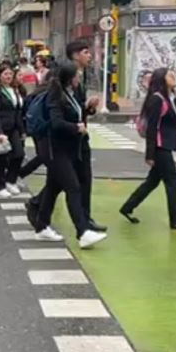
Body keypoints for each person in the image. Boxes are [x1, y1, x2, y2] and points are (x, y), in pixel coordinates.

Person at [33, 63, 108, 249]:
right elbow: (57, 123)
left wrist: (88, 109)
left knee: (52, 187)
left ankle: (41, 225)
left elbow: (74, 114)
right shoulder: (55, 95)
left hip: (66, 149)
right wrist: (76, 128)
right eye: (77, 75)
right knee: (73, 187)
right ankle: (82, 232)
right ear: (69, 77)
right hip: (54, 149)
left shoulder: (69, 93)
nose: (79, 78)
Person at [119, 68, 176, 231]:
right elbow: (152, 127)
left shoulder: (172, 99)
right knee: (173, 181)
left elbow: (174, 126)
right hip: (160, 147)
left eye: (174, 74)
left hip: (167, 145)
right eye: (169, 74)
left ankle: (127, 208)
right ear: (161, 79)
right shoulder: (157, 99)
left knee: (152, 182)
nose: (173, 76)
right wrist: (150, 153)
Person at [0, 65, 26, 199]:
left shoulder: (14, 90)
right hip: (1, 129)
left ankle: (11, 180)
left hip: (14, 127)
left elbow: (18, 112)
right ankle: (0, 187)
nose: (8, 77)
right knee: (1, 158)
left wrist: (22, 130)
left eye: (10, 74)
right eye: (5, 74)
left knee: (19, 154)